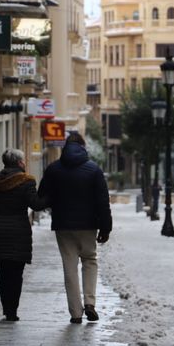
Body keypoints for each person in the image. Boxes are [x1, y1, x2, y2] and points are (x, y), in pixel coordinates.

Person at [39, 132, 112, 324]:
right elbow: (103, 201)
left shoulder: (53, 169)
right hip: (88, 225)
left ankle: (75, 313)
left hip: (63, 225)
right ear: (83, 146)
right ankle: (90, 303)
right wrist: (105, 228)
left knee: (69, 266)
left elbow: (42, 196)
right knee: (90, 260)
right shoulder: (94, 170)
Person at [0, 149, 48, 322]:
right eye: (23, 160)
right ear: (19, 163)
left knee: (3, 272)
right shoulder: (26, 181)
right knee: (16, 273)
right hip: (19, 231)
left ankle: (6, 308)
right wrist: (50, 195)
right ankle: (12, 311)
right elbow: (36, 205)